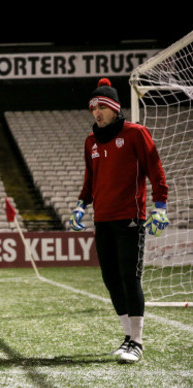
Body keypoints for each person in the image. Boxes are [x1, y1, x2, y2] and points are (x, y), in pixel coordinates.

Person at [69, 78, 169, 363]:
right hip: (102, 220)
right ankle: (127, 337)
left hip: (130, 218)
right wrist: (80, 205)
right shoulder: (91, 142)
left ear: (114, 108)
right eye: (92, 108)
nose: (96, 112)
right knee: (111, 279)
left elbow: (156, 172)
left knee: (129, 277)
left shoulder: (136, 133)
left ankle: (137, 342)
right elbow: (90, 181)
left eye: (101, 106)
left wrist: (159, 207)